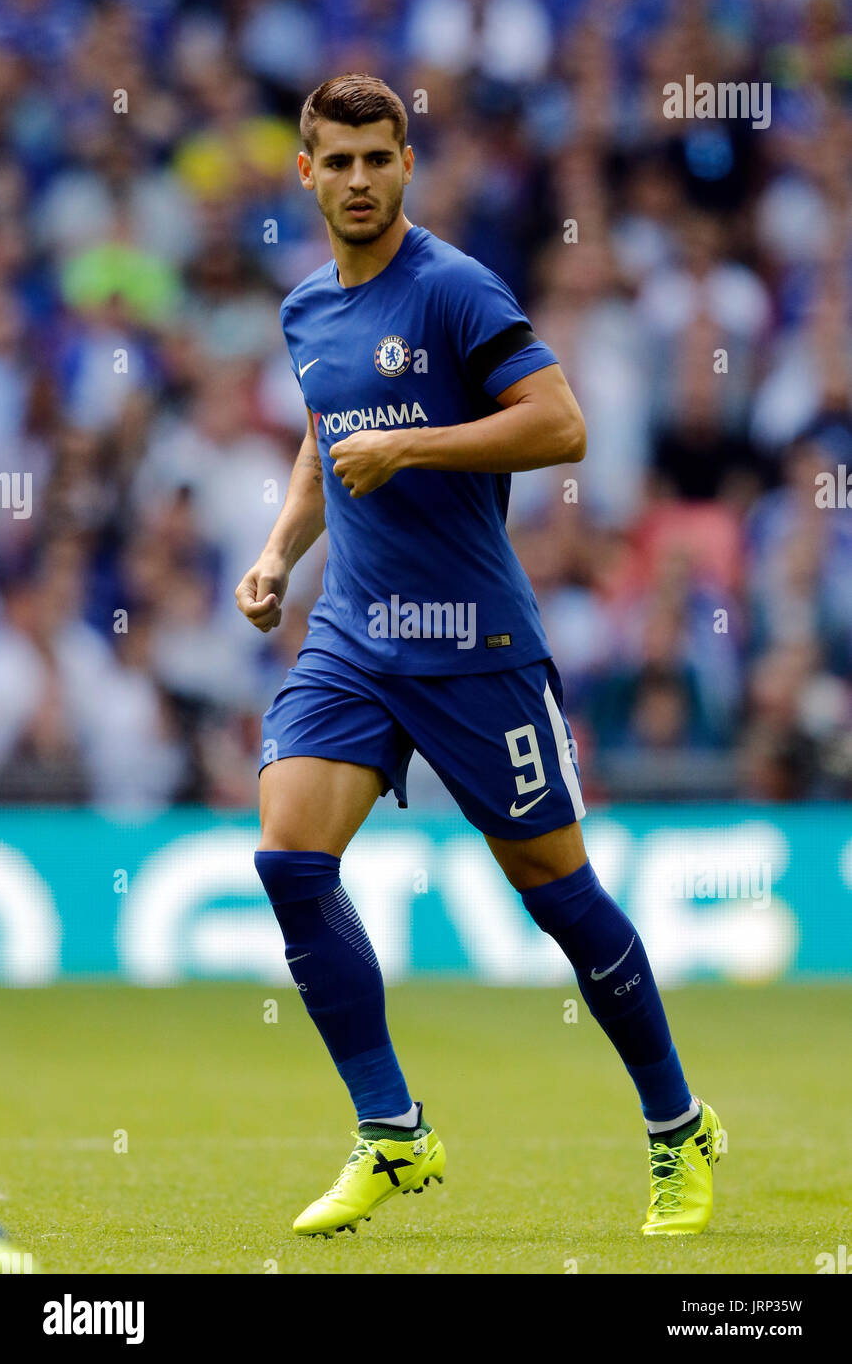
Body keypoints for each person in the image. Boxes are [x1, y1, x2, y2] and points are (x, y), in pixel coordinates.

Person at [236, 74, 723, 1238]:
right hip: (355, 635)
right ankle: (392, 1131)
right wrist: (276, 555)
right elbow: (325, 438)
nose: (357, 179)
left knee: (556, 891)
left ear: (407, 165)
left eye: (377, 158)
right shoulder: (306, 309)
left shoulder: (454, 290)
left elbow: (561, 424)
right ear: (304, 173)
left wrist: (415, 445)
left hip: (473, 645)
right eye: (336, 161)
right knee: (289, 856)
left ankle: (676, 1127)